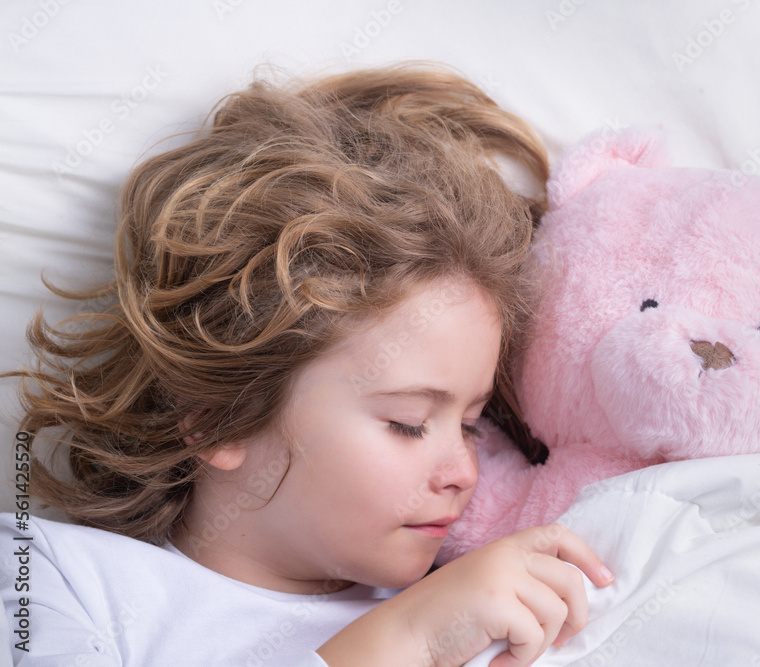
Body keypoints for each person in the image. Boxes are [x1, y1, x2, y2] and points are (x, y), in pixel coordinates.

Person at [0, 62, 613, 666]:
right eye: (408, 422)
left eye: (473, 424)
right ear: (221, 419)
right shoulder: (51, 578)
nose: (463, 472)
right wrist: (411, 640)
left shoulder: (491, 595)